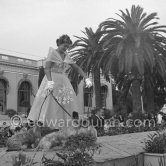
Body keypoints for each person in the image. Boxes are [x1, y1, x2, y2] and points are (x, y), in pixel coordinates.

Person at [28, 34, 92, 129]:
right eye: (64, 46)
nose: (66, 48)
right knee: (49, 102)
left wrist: (86, 78)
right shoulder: (52, 53)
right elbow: (47, 68)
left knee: (66, 102)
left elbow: (77, 68)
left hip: (63, 81)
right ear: (59, 44)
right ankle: (45, 124)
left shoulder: (66, 56)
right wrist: (49, 82)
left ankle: (63, 125)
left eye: (67, 47)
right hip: (51, 79)